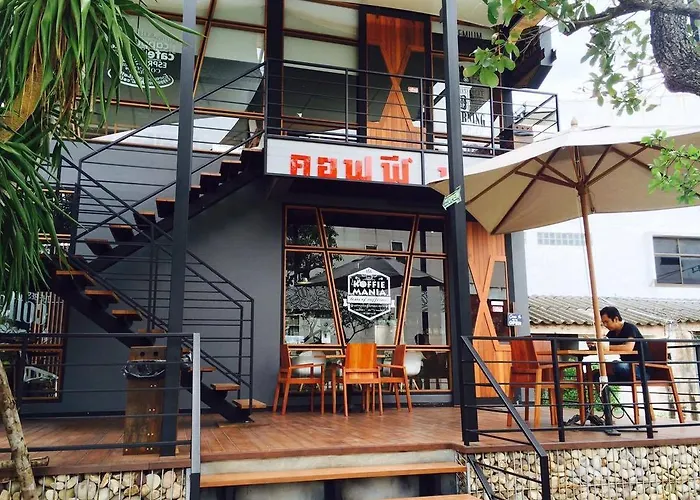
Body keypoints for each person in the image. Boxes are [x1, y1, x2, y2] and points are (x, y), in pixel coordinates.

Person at [599, 306, 651, 382]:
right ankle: (604, 390)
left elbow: (628, 348)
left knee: (618, 366)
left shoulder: (630, 328)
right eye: (603, 323)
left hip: (641, 369)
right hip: (628, 367)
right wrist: (594, 345)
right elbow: (604, 343)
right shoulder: (612, 333)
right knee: (597, 376)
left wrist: (605, 347)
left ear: (616, 319)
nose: (605, 325)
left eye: (607, 322)